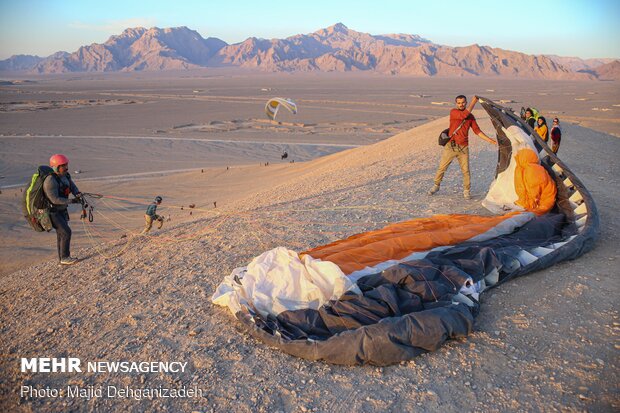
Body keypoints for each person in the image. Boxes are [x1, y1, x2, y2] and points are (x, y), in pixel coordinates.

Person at [429, 95, 497, 199]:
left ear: (465, 102)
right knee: (442, 168)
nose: (461, 104)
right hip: (451, 146)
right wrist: (474, 102)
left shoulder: (471, 117)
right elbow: (464, 115)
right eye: (459, 103)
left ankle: (466, 190)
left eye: (463, 102)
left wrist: (490, 140)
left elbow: (477, 131)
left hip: (463, 148)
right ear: (456, 104)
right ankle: (436, 185)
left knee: (465, 170)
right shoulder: (453, 112)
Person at [43, 154, 82, 265]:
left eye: (66, 165)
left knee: (61, 234)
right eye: (63, 166)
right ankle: (65, 258)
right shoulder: (50, 181)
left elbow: (72, 186)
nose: (66, 167)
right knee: (66, 232)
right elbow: (54, 199)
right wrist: (72, 201)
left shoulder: (66, 176)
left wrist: (77, 194)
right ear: (56, 167)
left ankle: (62, 258)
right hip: (52, 212)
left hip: (62, 210)